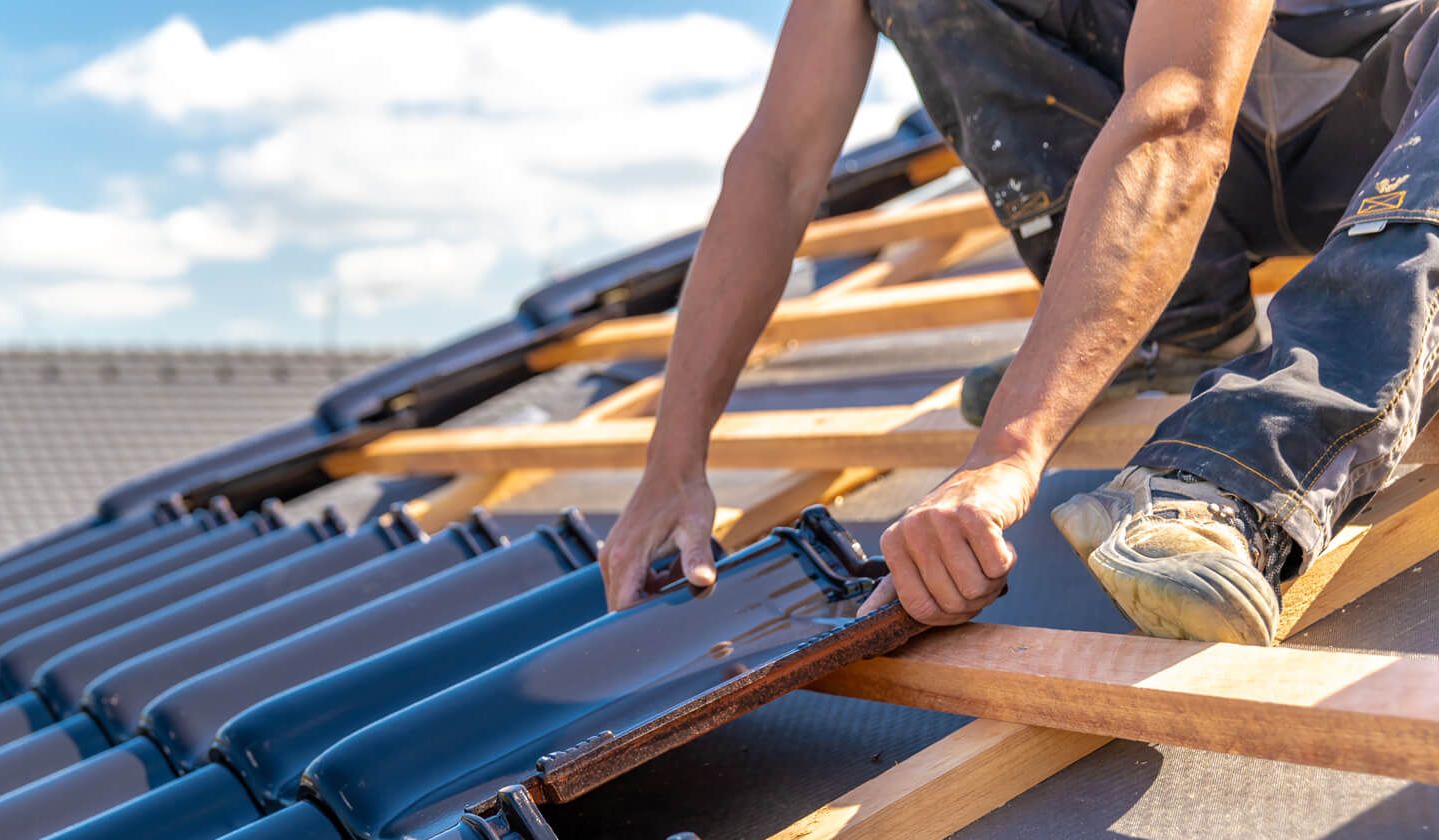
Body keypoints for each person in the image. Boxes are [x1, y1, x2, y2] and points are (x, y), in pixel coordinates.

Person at [602, 0, 1439, 645]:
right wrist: (673, 459)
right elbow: (776, 165)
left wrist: (1006, 453)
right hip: (1210, 168)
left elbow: (1182, 113)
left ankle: (1241, 475)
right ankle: (1168, 329)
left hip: (1387, 129)